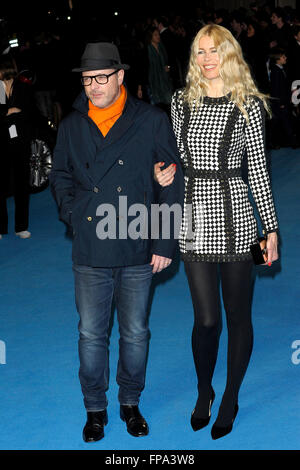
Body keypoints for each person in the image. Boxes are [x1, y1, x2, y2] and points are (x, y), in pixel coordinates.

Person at [49, 42, 184, 443]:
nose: (94, 86)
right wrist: (73, 214)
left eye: (102, 78)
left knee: (136, 332)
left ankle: (130, 402)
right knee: (91, 333)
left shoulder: (151, 119)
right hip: (91, 244)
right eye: (88, 79)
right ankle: (95, 409)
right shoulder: (72, 124)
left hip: (138, 242)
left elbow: (173, 180)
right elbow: (59, 176)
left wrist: (165, 242)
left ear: (121, 76)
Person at [154, 24, 279, 440]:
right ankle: (204, 389)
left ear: (230, 54)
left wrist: (271, 228)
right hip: (193, 222)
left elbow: (258, 171)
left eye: (215, 50)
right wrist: (162, 174)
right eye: (200, 51)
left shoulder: (248, 106)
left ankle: (230, 396)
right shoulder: (180, 101)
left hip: (238, 221)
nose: (207, 59)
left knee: (237, 316)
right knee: (206, 320)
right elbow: (173, 158)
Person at [0, 57, 34, 240]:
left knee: (22, 185)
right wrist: (9, 112)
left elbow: (27, 113)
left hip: (20, 142)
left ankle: (21, 227)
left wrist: (7, 114)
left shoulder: (22, 87)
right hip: (2, 142)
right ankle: (0, 227)